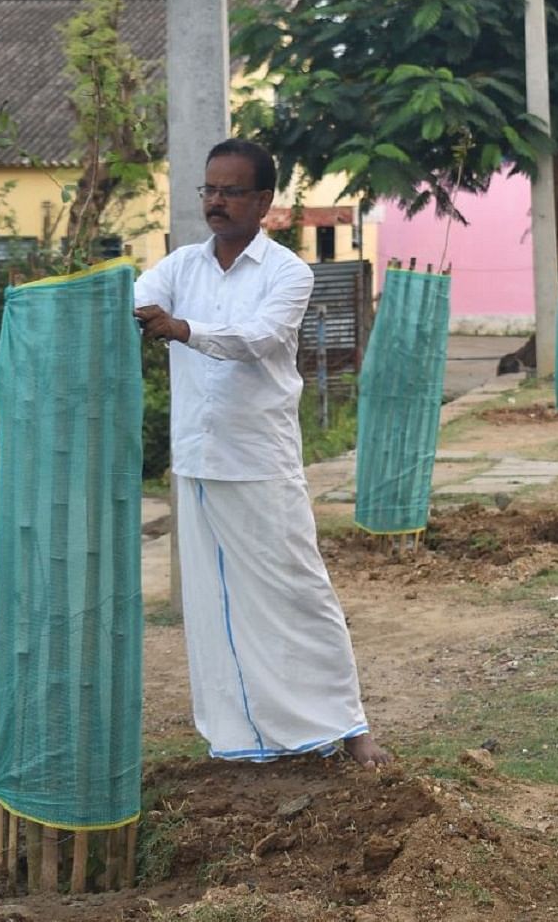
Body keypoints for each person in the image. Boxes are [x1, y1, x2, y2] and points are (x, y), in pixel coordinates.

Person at [133, 139, 388, 768]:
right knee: (214, 604)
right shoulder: (181, 266)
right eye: (208, 190)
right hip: (196, 457)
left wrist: (183, 329)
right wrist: (142, 312)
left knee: (299, 590)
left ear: (263, 201)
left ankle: (349, 726)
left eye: (231, 191)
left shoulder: (287, 272)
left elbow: (259, 338)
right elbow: (135, 299)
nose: (216, 202)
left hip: (259, 457)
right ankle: (241, 738)